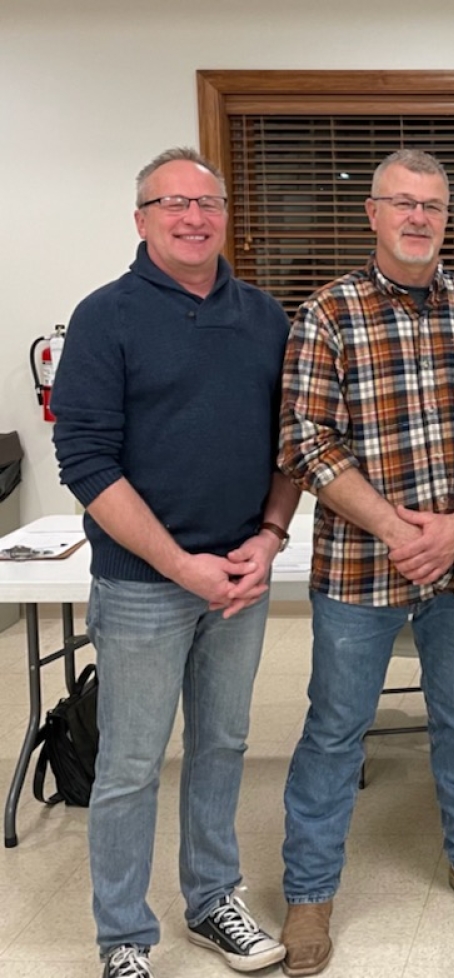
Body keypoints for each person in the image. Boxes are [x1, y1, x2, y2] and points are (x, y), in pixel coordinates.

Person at [276, 148, 454, 976]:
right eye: (402, 203)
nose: (419, 217)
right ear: (373, 214)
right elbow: (306, 440)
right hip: (359, 571)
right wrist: (397, 528)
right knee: (335, 733)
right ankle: (309, 893)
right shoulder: (326, 314)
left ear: (448, 220)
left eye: (433, 206)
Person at [52, 147, 297, 978]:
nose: (194, 218)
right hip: (141, 586)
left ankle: (211, 900)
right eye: (173, 204)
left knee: (223, 744)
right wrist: (178, 565)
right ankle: (123, 935)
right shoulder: (105, 317)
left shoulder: (266, 317)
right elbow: (86, 461)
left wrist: (268, 536)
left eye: (208, 203)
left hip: (241, 576)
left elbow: (291, 444)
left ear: (226, 215)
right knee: (128, 764)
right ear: (142, 219)